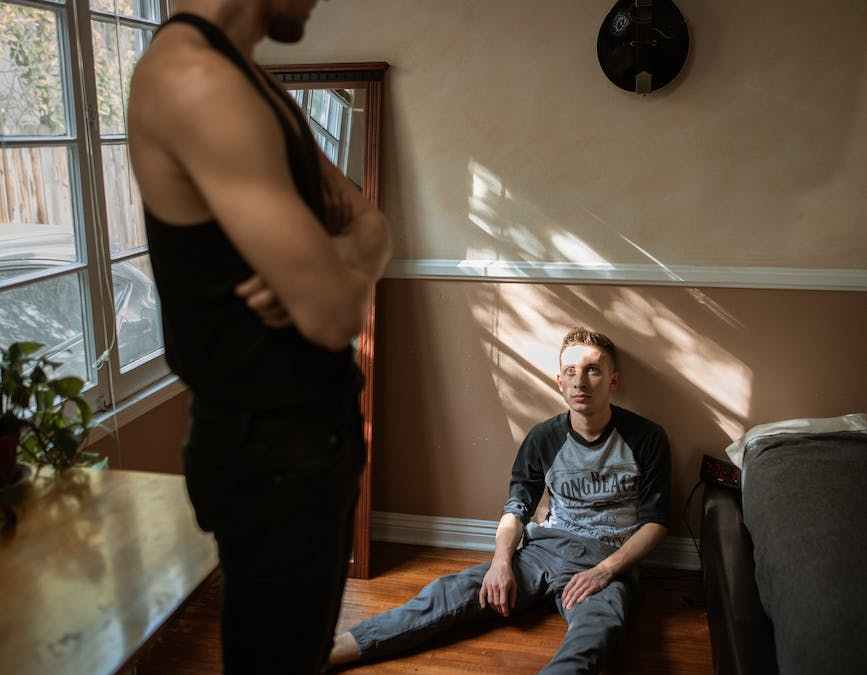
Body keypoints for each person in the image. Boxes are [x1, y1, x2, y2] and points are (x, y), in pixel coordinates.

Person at [127, 1, 392, 672]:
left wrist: (347, 260)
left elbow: (372, 222)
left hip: (310, 441)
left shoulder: (249, 78)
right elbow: (334, 315)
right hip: (268, 456)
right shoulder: (196, 81)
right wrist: (345, 270)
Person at [329, 328, 671, 674]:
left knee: (596, 636)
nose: (580, 381)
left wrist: (604, 572)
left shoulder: (646, 438)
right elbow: (517, 507)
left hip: (607, 557)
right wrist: (501, 562)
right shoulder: (543, 438)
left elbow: (656, 522)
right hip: (545, 550)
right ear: (559, 382)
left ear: (613, 381)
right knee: (451, 591)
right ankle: (337, 649)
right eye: (571, 371)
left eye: (593, 370)